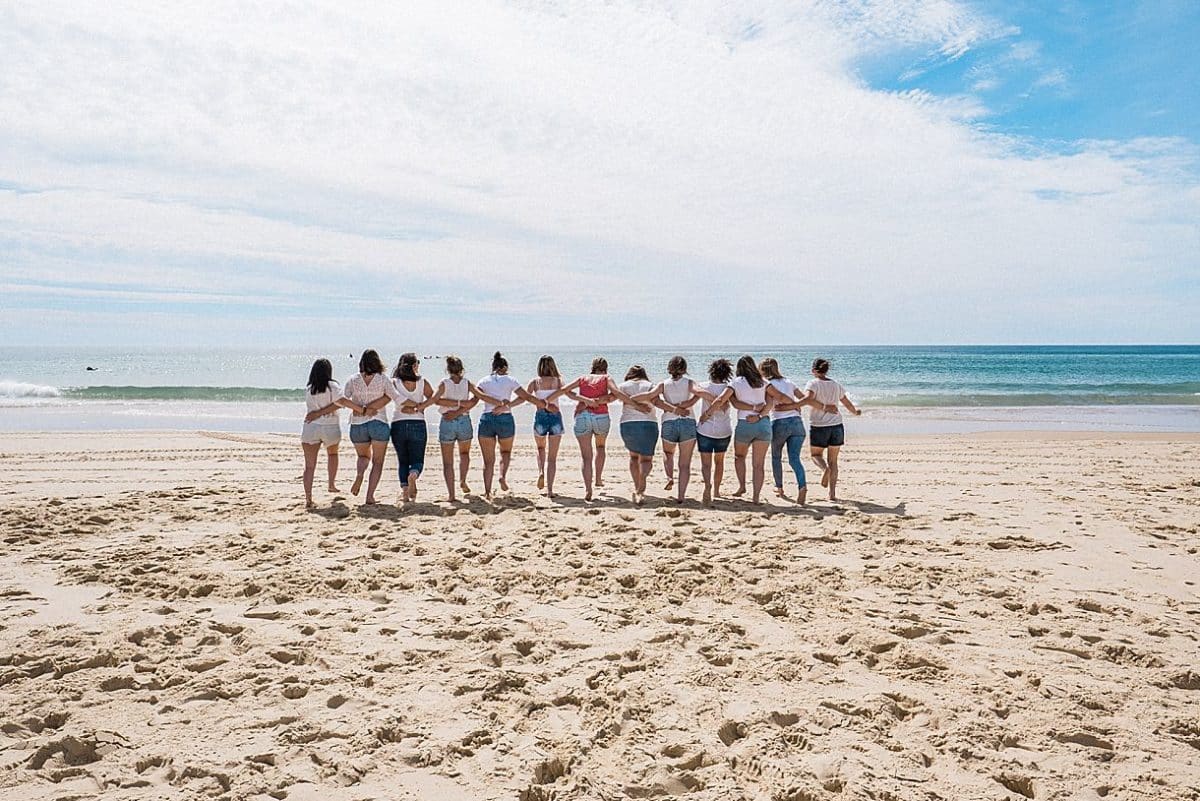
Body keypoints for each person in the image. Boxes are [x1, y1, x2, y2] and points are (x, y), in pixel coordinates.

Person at [760, 357, 838, 505]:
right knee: (794, 459)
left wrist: (758, 415)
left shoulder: (767, 385)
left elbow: (768, 405)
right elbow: (805, 399)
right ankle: (802, 487)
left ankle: (779, 488)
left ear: (763, 371)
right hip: (797, 424)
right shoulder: (789, 382)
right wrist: (825, 407)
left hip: (779, 423)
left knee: (776, 456)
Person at [475, 351, 552, 499]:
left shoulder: (483, 381)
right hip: (505, 418)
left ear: (494, 367)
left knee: (488, 460)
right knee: (505, 452)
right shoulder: (511, 380)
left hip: (486, 418)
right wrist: (543, 404)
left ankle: (487, 492)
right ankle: (502, 476)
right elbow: (526, 396)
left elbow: (477, 397)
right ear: (504, 367)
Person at [698, 355, 773, 504]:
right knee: (758, 464)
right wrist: (759, 415)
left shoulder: (736, 383)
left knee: (739, 457)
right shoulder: (765, 382)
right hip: (763, 424)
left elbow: (726, 402)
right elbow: (771, 402)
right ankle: (756, 496)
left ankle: (740, 486)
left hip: (744, 424)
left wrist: (706, 415)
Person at [300, 358, 365, 508]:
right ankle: (331, 484)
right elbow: (340, 401)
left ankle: (308, 498)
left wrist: (317, 414)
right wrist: (360, 409)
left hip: (311, 427)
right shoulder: (333, 385)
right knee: (332, 455)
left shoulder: (309, 388)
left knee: (309, 466)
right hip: (330, 426)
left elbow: (314, 410)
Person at [553, 358, 617, 501]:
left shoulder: (582, 378)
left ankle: (588, 489)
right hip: (601, 416)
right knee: (600, 447)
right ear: (605, 369)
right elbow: (615, 394)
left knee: (586, 457)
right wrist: (599, 401)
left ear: (592, 368)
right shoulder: (606, 378)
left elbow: (565, 390)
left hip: (582, 416)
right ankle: (598, 478)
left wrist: (585, 400)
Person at [341, 349, 399, 505]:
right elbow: (395, 397)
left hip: (357, 425)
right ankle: (370, 496)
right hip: (378, 422)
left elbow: (341, 400)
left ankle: (360, 474)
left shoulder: (353, 379)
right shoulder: (383, 379)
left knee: (363, 457)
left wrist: (360, 409)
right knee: (378, 462)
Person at [640, 356, 699, 503]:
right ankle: (681, 496)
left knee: (668, 453)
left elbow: (650, 396)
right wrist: (689, 403)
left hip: (669, 422)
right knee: (685, 464)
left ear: (669, 368)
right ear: (685, 369)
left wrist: (631, 398)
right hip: (688, 422)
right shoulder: (689, 383)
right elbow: (700, 393)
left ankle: (669, 477)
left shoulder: (663, 384)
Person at [805, 357, 862, 501]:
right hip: (836, 426)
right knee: (833, 461)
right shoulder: (836, 385)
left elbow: (808, 400)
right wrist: (855, 412)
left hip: (819, 426)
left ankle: (825, 470)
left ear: (813, 371)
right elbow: (847, 403)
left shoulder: (813, 383)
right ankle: (832, 494)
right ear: (826, 370)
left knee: (815, 455)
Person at [427, 355, 482, 502]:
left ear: (448, 369)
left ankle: (451, 495)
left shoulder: (444, 383)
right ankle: (463, 480)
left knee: (448, 462)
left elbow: (435, 400)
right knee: (464, 454)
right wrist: (460, 405)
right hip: (464, 420)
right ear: (462, 369)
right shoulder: (467, 383)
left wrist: (453, 409)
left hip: (447, 420)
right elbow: (477, 398)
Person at [389, 353, 436, 504]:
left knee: (402, 460)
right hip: (418, 423)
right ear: (415, 366)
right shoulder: (422, 381)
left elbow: (394, 398)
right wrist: (419, 407)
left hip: (398, 423)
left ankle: (404, 493)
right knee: (417, 459)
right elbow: (433, 397)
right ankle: (413, 476)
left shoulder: (394, 382)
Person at [616, 365, 660, 505]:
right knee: (646, 460)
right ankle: (642, 481)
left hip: (628, 423)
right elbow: (657, 402)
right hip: (649, 423)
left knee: (634, 457)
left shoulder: (623, 386)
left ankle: (637, 487)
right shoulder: (650, 385)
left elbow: (614, 398)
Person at [693, 358, 733, 506]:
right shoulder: (730, 389)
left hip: (705, 429)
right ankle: (716, 490)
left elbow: (694, 391)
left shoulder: (703, 386)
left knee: (706, 463)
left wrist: (710, 405)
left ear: (711, 371)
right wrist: (720, 401)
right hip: (724, 430)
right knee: (719, 461)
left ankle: (707, 486)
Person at [528, 355, 565, 498]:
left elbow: (525, 396)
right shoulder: (558, 381)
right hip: (555, 416)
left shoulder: (535, 382)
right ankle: (550, 490)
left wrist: (540, 402)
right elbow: (569, 393)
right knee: (552, 458)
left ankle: (541, 472)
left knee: (540, 448)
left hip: (540, 416)